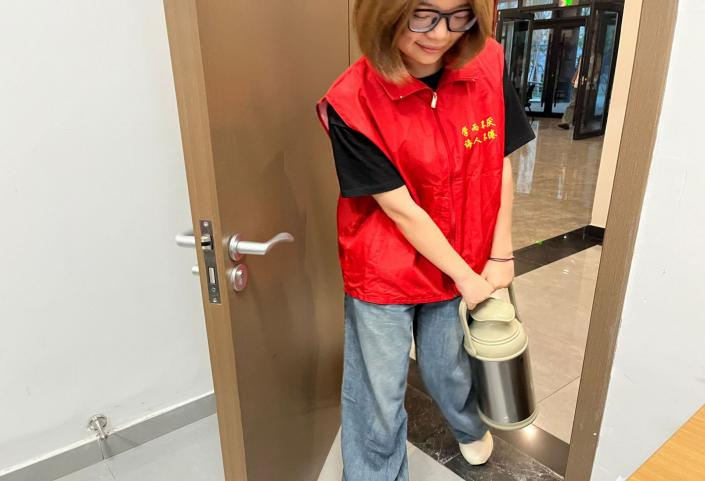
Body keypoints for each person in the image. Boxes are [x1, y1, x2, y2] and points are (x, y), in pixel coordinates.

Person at [315, 1, 535, 480]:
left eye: (459, 15)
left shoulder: (488, 64)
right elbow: (401, 209)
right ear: (385, 13)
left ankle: (468, 426)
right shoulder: (351, 100)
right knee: (378, 393)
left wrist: (500, 254)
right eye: (423, 15)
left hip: (466, 253)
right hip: (385, 268)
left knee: (448, 367)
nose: (440, 34)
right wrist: (465, 276)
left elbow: (499, 162)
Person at [558, 55, 581, 129]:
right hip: (577, 84)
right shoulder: (581, 57)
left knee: (583, 105)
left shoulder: (597, 57)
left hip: (586, 85)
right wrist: (573, 79)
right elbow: (578, 70)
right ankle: (566, 122)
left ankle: (581, 124)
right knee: (573, 103)